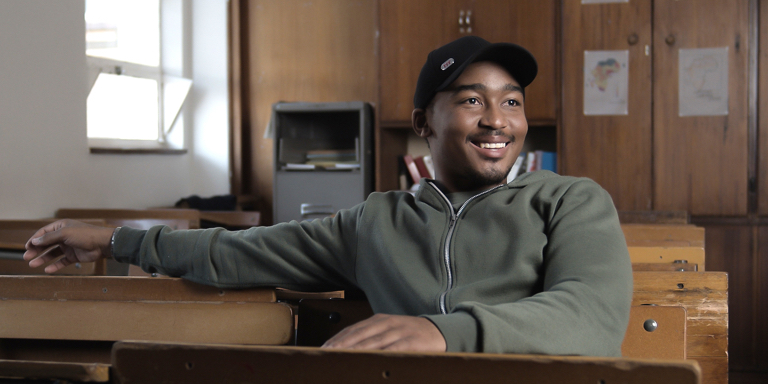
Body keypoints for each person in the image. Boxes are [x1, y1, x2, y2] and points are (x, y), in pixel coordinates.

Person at [24, 36, 632, 356]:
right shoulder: (376, 220)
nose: (497, 119)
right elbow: (237, 253)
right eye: (472, 100)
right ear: (424, 121)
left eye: (513, 101)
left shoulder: (571, 200)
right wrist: (113, 238)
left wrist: (445, 333)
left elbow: (592, 316)